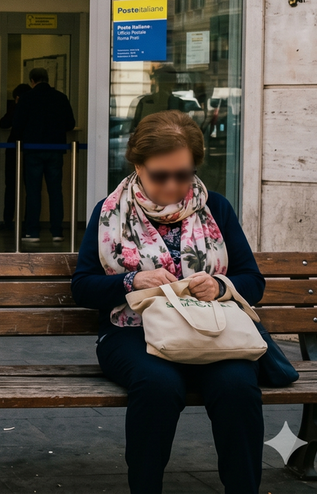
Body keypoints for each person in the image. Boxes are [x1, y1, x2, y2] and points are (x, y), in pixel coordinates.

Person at [72, 110, 264, 494]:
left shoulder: (216, 208)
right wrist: (132, 281)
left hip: (211, 331)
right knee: (158, 384)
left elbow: (252, 281)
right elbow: (83, 286)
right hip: (131, 332)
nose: (173, 185)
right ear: (138, 165)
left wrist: (219, 285)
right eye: (161, 175)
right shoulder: (110, 213)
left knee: (238, 385)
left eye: (184, 174)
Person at [12, 67, 75, 242]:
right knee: (56, 191)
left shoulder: (26, 98)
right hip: (55, 150)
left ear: (32, 81)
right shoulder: (60, 97)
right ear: (48, 79)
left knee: (33, 192)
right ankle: (57, 232)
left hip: (33, 150)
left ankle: (32, 232)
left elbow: (17, 125)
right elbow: (70, 123)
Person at [0, 83, 31, 230]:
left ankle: (8, 220)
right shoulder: (33, 107)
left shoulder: (16, 107)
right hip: (31, 149)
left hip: (14, 150)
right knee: (31, 189)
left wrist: (15, 106)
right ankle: (29, 223)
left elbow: (4, 123)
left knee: (11, 187)